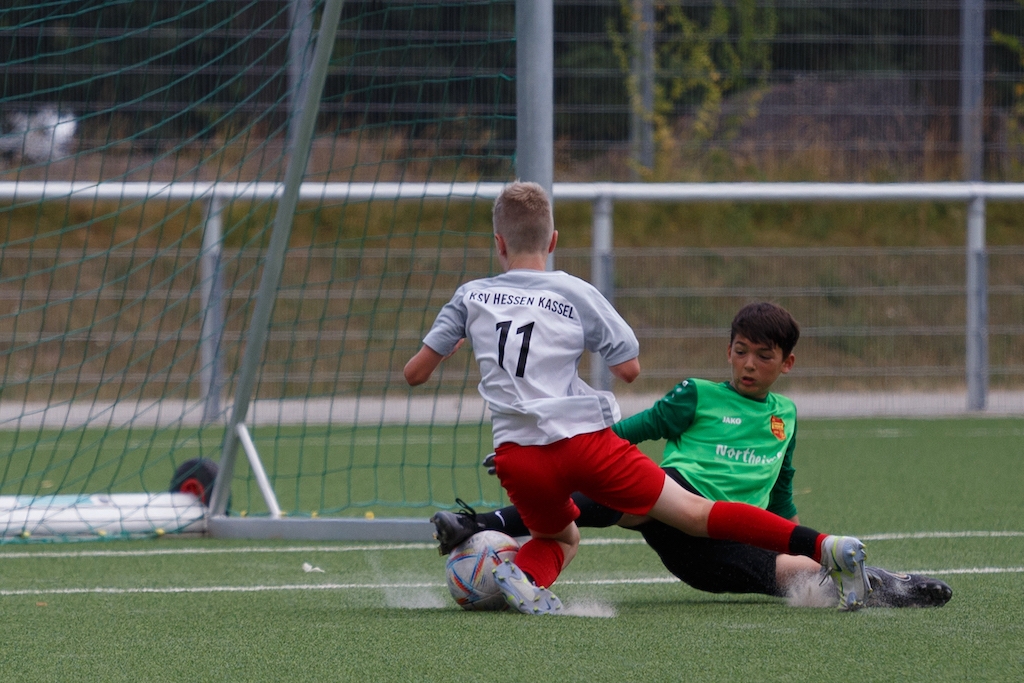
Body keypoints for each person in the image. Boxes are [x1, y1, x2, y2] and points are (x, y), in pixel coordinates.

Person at [405, 181, 870, 615]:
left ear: (499, 244)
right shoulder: (575, 291)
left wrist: (459, 342)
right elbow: (628, 370)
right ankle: (823, 546)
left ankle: (523, 574)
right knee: (697, 513)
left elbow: (415, 374)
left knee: (561, 537)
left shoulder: (470, 296)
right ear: (553, 241)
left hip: (517, 455)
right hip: (584, 443)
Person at [431, 302, 953, 609]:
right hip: (676, 498)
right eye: (741, 352)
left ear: (786, 363)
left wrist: (787, 529)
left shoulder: (786, 415)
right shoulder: (697, 394)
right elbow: (626, 432)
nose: (749, 364)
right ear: (729, 351)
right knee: (622, 497)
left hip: (713, 548)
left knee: (796, 579)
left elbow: (782, 488)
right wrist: (551, 448)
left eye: (763, 356)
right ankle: (484, 523)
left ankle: (884, 585)